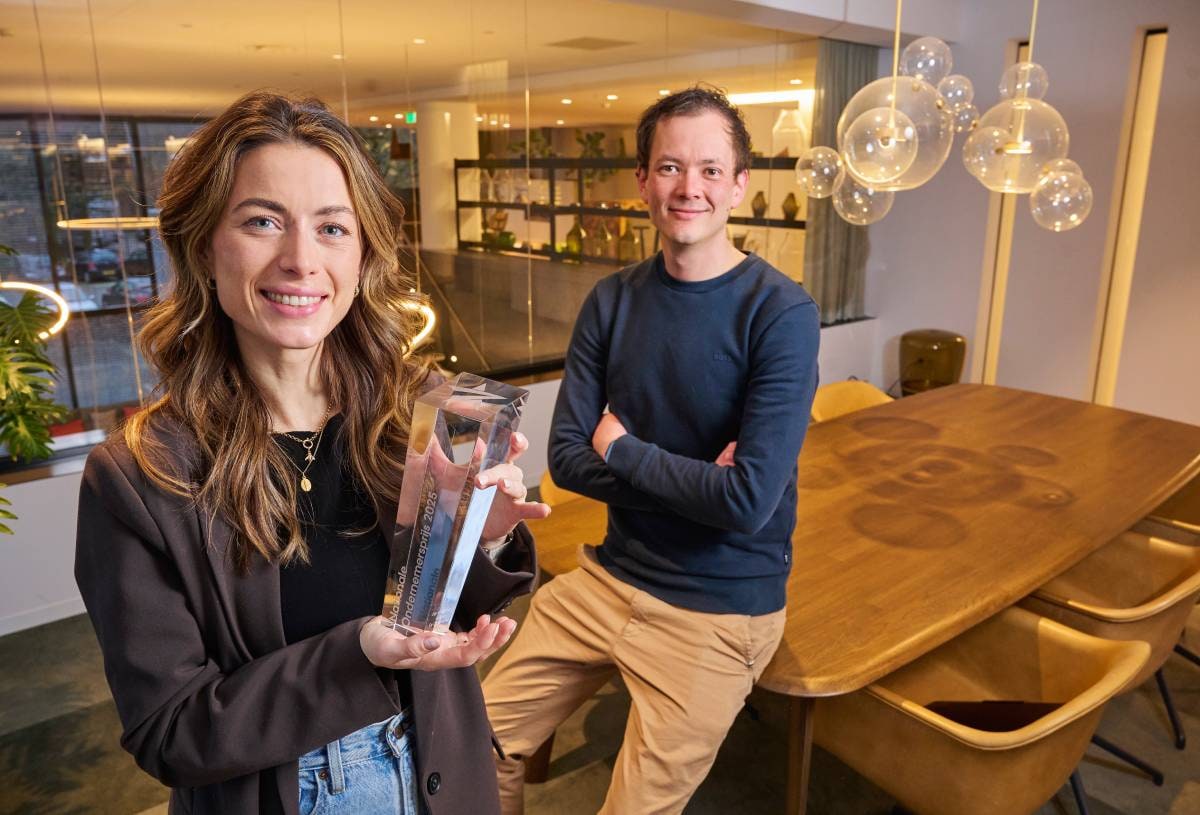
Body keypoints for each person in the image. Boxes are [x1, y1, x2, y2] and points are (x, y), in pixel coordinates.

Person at [74, 91, 549, 815]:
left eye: (332, 227)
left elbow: (439, 622)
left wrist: (478, 541)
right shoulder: (142, 476)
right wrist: (356, 649)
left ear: (362, 254)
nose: (300, 259)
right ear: (205, 244)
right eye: (262, 221)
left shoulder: (418, 410)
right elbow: (169, 730)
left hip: (445, 774)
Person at [482, 86, 821, 814]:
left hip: (718, 610)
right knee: (472, 750)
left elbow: (749, 502)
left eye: (708, 169)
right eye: (669, 167)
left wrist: (627, 448)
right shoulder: (612, 300)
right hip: (608, 578)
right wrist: (700, 482)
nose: (688, 187)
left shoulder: (781, 313)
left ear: (739, 184)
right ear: (642, 182)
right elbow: (567, 460)